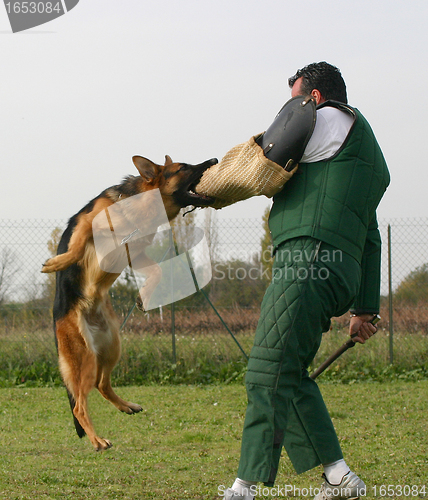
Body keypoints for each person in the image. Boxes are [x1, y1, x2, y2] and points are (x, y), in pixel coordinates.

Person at [222, 62, 390, 500]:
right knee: (289, 370)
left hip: (308, 256)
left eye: (297, 98)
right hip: (333, 266)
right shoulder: (360, 155)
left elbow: (259, 162)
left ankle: (243, 487)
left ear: (313, 98)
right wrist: (364, 308)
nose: (292, 108)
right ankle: (338, 476)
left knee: (267, 368)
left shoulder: (328, 118)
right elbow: (369, 235)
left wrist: (194, 189)